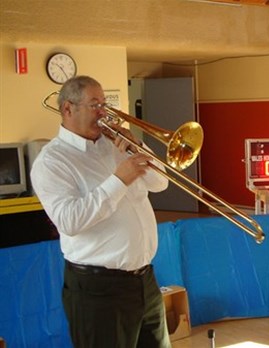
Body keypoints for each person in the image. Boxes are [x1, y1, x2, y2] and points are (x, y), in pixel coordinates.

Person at [30, 76, 171, 347]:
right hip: (98, 289)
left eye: (104, 104)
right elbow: (70, 221)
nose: (104, 113)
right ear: (68, 109)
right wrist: (120, 179)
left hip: (145, 281)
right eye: (95, 105)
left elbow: (160, 183)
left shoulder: (115, 145)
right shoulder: (52, 162)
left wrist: (138, 147)